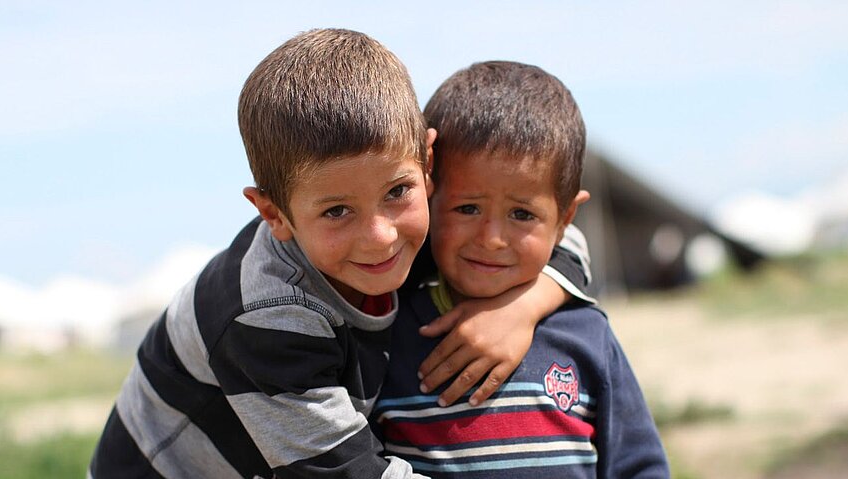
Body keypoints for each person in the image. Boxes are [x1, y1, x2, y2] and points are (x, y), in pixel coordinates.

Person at [89, 30, 591, 479]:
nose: (380, 236)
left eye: (397, 192)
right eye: (336, 212)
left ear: (427, 165)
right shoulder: (268, 315)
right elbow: (347, 472)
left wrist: (519, 309)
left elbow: (561, 237)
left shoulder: (426, 223)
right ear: (275, 213)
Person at [372, 61, 669, 478]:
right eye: (467, 208)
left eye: (522, 214)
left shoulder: (586, 333)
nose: (492, 237)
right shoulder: (387, 331)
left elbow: (638, 465)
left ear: (565, 219)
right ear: (427, 194)